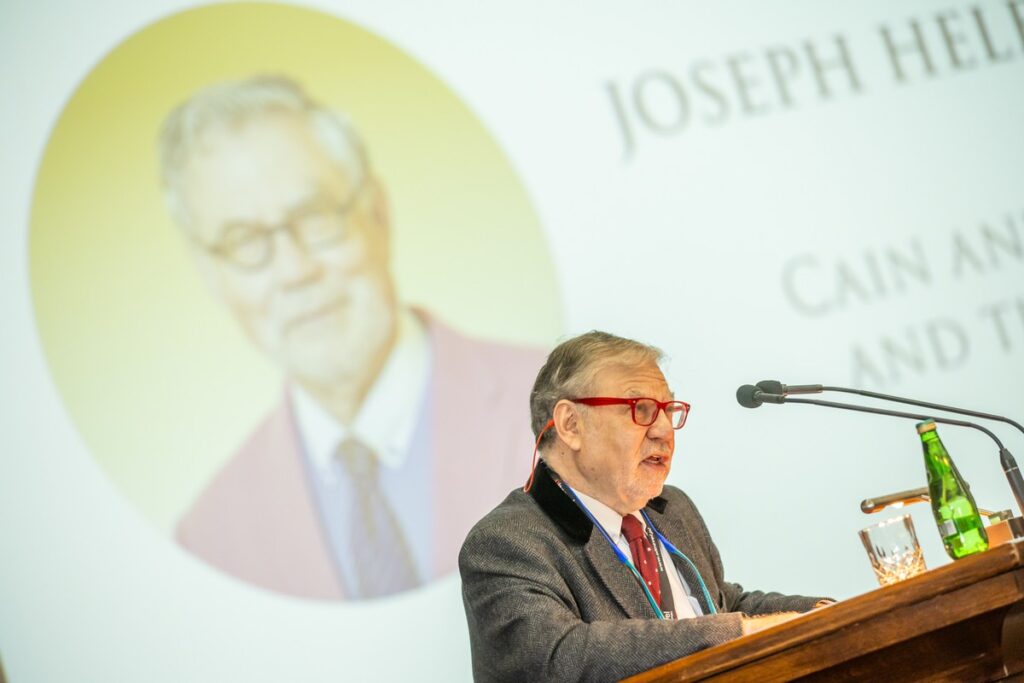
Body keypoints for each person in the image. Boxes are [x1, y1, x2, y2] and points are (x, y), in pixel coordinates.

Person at [158, 75, 544, 600]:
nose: (294, 270)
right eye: (244, 241)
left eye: (314, 216)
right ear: (212, 276)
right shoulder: (207, 542)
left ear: (377, 212)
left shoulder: (563, 406)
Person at [459, 331, 832, 681]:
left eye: (668, 410)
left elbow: (720, 603)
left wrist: (824, 614)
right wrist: (737, 632)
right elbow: (561, 656)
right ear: (571, 424)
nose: (663, 431)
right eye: (640, 409)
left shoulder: (671, 509)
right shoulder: (507, 543)